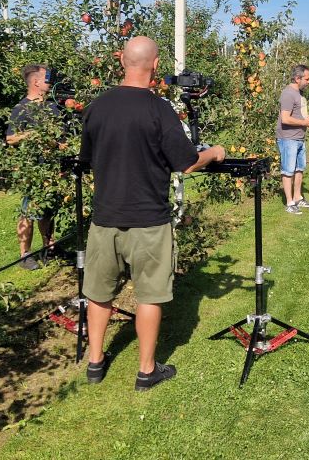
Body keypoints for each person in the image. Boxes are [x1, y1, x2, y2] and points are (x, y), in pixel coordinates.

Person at [79, 36, 225, 391]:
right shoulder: (159, 109)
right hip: (148, 220)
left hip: (105, 217)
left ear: (121, 60)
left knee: (98, 291)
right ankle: (146, 370)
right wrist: (214, 152)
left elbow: (87, 159)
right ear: (156, 65)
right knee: (149, 294)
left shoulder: (96, 107)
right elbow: (186, 163)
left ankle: (95, 362)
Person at [6, 64, 60, 270]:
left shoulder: (52, 106)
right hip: (32, 169)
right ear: (36, 82)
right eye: (47, 78)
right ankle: (25, 255)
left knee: (48, 209)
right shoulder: (22, 108)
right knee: (29, 210)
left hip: (52, 166)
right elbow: (11, 138)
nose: (50, 82)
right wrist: (32, 134)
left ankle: (49, 247)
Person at [276, 64, 309, 215]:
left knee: (299, 168)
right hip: (288, 138)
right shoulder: (288, 94)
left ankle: (298, 198)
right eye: (307, 79)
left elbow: (297, 114)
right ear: (297, 78)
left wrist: (307, 119)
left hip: (299, 138)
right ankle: (290, 203)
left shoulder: (298, 93)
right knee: (288, 170)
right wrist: (304, 123)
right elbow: (285, 119)